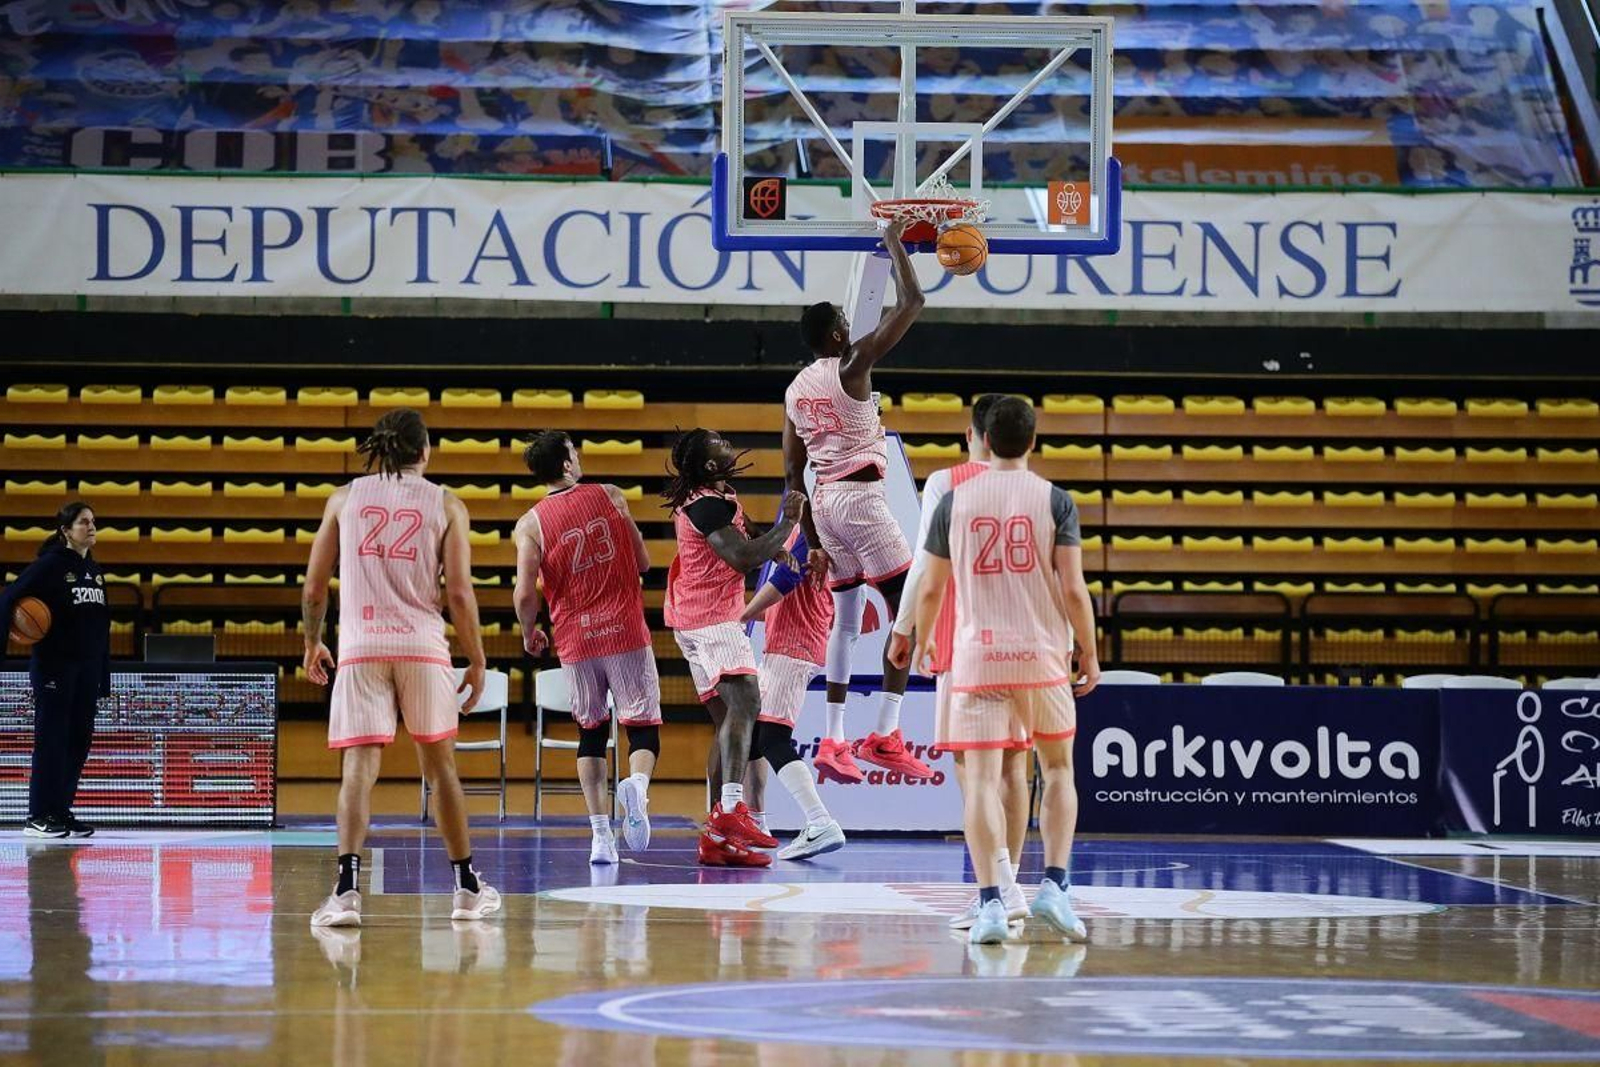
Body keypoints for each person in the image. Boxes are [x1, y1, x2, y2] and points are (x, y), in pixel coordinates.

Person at [909, 397, 1100, 945]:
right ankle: (1055, 885)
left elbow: (930, 585)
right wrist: (1088, 651)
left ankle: (992, 902)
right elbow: (1072, 589)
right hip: (1041, 658)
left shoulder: (955, 501)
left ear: (983, 440)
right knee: (1057, 772)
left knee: (982, 786)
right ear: (1034, 441)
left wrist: (924, 641)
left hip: (976, 658)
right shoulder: (1055, 500)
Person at [302, 408, 500, 926]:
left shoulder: (344, 499)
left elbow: (314, 588)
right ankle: (466, 888)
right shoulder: (447, 504)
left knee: (358, 772)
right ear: (424, 451)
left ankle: (346, 892)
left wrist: (311, 641)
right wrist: (477, 659)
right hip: (422, 646)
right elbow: (458, 592)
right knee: (441, 771)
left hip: (361, 646)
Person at [784, 216, 932, 785]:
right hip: (862, 501)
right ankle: (886, 733)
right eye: (847, 322)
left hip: (824, 504)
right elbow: (913, 300)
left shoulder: (795, 389)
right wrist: (895, 241)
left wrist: (814, 538)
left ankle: (833, 740)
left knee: (844, 625)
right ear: (839, 335)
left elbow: (792, 469)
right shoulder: (852, 364)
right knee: (908, 614)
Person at [888, 394, 1032, 928]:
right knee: (1015, 767)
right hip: (1025, 643)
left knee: (973, 773)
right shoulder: (1037, 491)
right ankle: (1010, 880)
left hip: (965, 640)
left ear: (976, 435)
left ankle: (1000, 890)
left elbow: (926, 565)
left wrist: (904, 629)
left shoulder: (948, 482)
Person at [514, 430, 661, 865]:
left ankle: (600, 837)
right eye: (574, 454)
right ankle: (637, 786)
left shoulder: (529, 524)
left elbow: (525, 593)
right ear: (566, 464)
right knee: (642, 725)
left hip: (576, 640)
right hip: (625, 632)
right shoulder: (612, 495)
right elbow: (645, 562)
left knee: (590, 733)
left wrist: (528, 632)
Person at [662, 428, 805, 867]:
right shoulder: (705, 503)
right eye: (720, 443)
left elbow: (744, 535)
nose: (728, 443)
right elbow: (740, 557)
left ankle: (716, 838)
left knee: (727, 720)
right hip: (712, 620)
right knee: (748, 702)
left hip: (693, 616)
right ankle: (730, 810)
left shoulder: (718, 495)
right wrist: (787, 524)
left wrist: (773, 548)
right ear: (709, 465)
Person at [0, 502, 110, 839]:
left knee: (78, 740)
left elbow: (100, 627)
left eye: (93, 521)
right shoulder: (48, 566)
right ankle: (38, 815)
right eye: (83, 522)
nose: (91, 527)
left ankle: (60, 810)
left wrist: (102, 676)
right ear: (65, 530)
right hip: (55, 667)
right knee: (52, 739)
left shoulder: (94, 570)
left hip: (87, 670)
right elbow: (8, 600)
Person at [738, 522, 846, 860]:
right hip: (791, 643)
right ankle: (758, 824)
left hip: (794, 645)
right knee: (756, 736)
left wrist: (742, 616)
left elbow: (785, 579)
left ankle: (820, 821)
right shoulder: (808, 528)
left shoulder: (816, 532)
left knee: (772, 739)